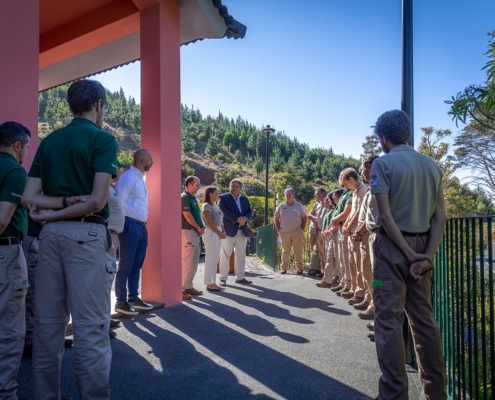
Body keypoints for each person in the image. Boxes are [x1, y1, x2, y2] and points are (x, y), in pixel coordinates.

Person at [22, 79, 117, 400]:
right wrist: (66, 206)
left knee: (48, 330)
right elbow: (96, 201)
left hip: (49, 238)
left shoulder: (49, 142)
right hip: (87, 236)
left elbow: (29, 196)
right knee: (90, 330)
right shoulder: (102, 140)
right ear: (98, 105)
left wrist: (51, 213)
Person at [370, 109, 447, 399]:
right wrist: (426, 255)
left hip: (392, 248)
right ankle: (436, 392)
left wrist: (406, 253)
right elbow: (440, 217)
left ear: (383, 137)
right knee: (424, 321)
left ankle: (394, 394)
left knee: (388, 320)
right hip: (423, 247)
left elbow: (386, 218)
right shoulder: (431, 166)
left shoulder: (383, 164)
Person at [0, 121, 30, 399]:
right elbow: (2, 219)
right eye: (26, 148)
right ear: (17, 145)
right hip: (6, 252)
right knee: (9, 328)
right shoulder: (13, 170)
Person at [115, 149, 154, 315]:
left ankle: (133, 298)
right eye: (150, 160)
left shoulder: (140, 179)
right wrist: (123, 227)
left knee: (136, 265)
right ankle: (120, 301)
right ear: (143, 161)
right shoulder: (128, 178)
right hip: (130, 225)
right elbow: (118, 203)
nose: (152, 162)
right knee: (126, 264)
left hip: (141, 226)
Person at [350, 154, 380, 320]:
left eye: (362, 170)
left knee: (374, 274)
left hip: (372, 236)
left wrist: (359, 231)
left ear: (369, 167)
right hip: (366, 237)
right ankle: (370, 300)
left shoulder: (378, 187)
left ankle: (376, 306)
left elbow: (374, 216)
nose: (361, 173)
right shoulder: (370, 189)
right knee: (366, 271)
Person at [218, 179, 253, 286]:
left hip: (242, 230)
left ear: (240, 188)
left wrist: (245, 218)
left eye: (236, 187)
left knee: (241, 255)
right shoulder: (223, 198)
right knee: (225, 255)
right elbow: (223, 211)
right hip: (228, 230)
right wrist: (237, 219)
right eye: (232, 186)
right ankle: (223, 278)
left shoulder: (245, 199)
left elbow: (249, 211)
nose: (234, 188)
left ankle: (240, 277)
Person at [341, 168, 367, 304]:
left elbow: (358, 213)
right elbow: (352, 212)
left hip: (358, 233)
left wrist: (349, 226)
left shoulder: (363, 191)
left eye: (346, 183)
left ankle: (361, 293)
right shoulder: (355, 192)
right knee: (352, 263)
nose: (347, 187)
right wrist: (346, 225)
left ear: (351, 179)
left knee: (360, 265)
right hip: (352, 232)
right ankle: (354, 288)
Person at [181, 176, 205, 300]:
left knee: (194, 262)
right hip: (188, 232)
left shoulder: (192, 198)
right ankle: (181, 289)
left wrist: (201, 227)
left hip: (195, 232)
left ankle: (188, 285)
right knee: (187, 261)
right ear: (189, 184)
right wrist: (198, 227)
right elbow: (187, 215)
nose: (199, 187)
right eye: (197, 185)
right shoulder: (184, 197)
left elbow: (195, 215)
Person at [274, 187, 307, 275]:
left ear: (293, 195)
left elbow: (304, 218)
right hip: (284, 232)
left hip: (297, 231)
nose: (288, 196)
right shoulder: (281, 206)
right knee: (285, 250)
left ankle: (300, 268)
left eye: (289, 194)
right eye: (286, 194)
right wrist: (278, 229)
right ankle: (284, 268)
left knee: (298, 250)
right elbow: (276, 218)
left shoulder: (299, 205)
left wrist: (301, 229)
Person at [201, 186, 225, 292]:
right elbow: (209, 222)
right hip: (212, 232)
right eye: (215, 193)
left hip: (218, 232)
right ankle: (208, 282)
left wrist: (223, 231)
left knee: (215, 259)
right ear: (210, 194)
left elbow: (221, 220)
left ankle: (213, 281)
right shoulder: (206, 206)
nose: (217, 195)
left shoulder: (215, 206)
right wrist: (219, 233)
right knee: (210, 258)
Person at [330, 187, 353, 295]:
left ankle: (349, 285)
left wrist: (335, 219)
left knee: (346, 260)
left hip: (345, 228)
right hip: (341, 227)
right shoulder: (346, 193)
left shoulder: (350, 194)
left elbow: (348, 212)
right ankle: (344, 283)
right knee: (341, 259)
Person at [318, 190, 343, 288]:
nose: (329, 201)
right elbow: (331, 223)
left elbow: (336, 224)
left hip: (334, 235)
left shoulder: (335, 210)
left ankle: (333, 279)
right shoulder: (332, 211)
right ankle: (331, 278)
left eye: (332, 198)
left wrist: (328, 231)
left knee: (335, 259)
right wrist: (326, 231)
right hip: (330, 235)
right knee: (329, 258)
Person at [307, 188, 326, 276]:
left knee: (320, 250)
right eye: (315, 194)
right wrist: (313, 218)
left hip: (322, 231)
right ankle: (317, 269)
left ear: (324, 193)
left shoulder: (328, 204)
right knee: (314, 249)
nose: (316, 196)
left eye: (318, 193)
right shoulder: (316, 205)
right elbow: (309, 214)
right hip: (313, 230)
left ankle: (314, 267)